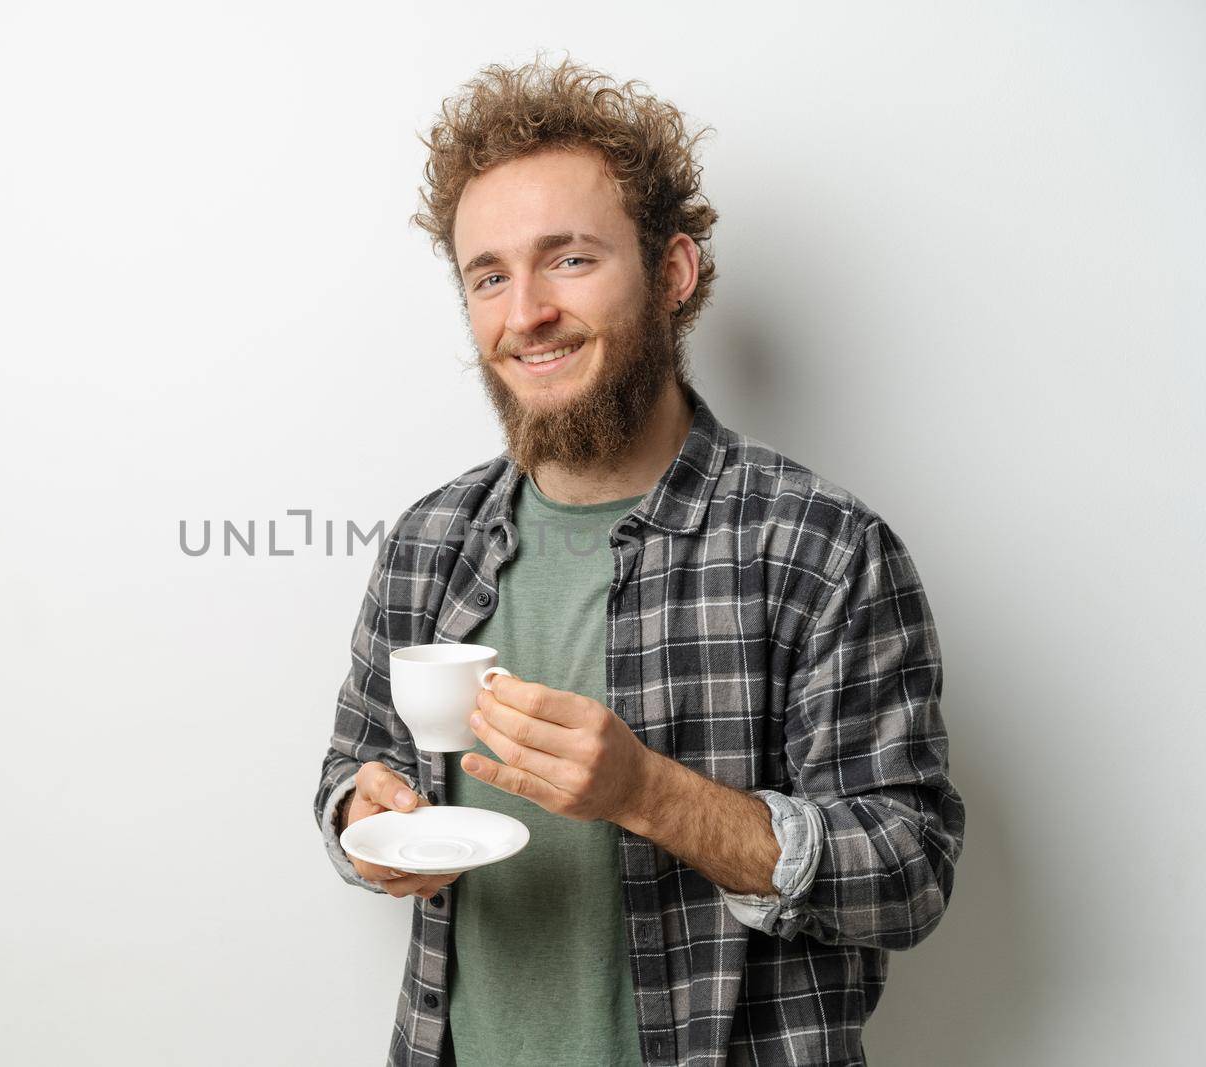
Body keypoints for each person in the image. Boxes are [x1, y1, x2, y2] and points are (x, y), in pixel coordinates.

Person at [313, 54, 964, 1067]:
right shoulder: (425, 544)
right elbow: (353, 767)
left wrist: (647, 792)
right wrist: (367, 812)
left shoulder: (821, 547)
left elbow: (907, 873)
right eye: (488, 274)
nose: (522, 310)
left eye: (567, 258)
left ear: (672, 273)